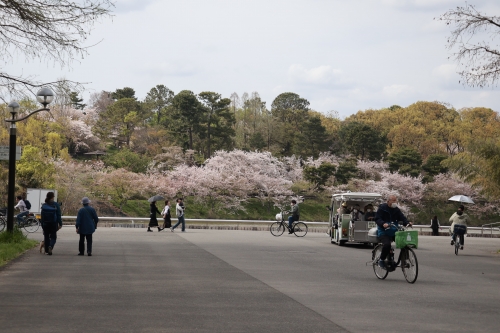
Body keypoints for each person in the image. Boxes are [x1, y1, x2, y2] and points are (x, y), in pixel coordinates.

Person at [375, 194, 412, 269]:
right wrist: (383, 223)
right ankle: (381, 260)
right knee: (387, 245)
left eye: (396, 200)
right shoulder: (382, 208)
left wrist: (407, 223)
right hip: (383, 231)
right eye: (393, 200)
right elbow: (377, 218)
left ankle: (404, 260)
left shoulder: (396, 210)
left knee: (403, 243)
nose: (395, 202)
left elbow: (402, 218)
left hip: (394, 230)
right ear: (388, 201)